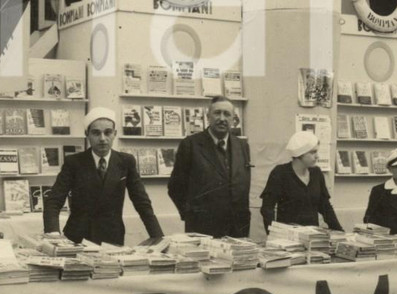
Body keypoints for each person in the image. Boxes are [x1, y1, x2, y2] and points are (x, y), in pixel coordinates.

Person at [42, 110, 164, 246]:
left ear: (114, 134)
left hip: (112, 237)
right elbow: (54, 201)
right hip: (77, 237)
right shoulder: (74, 162)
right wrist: (53, 234)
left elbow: (141, 201)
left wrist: (157, 236)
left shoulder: (126, 161)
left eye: (107, 132)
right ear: (87, 134)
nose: (102, 139)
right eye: (96, 133)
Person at [167, 96, 251, 238]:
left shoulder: (242, 145)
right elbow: (175, 187)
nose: (222, 118)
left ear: (233, 119)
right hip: (202, 227)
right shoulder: (190, 144)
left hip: (237, 228)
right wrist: (190, 214)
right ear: (208, 116)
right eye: (217, 113)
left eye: (227, 114)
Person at [260, 130, 343, 232]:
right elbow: (267, 209)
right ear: (300, 153)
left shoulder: (316, 173)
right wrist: (272, 234)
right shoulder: (280, 173)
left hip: (313, 238)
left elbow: (325, 207)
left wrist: (340, 232)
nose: (317, 156)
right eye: (313, 152)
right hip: (288, 239)